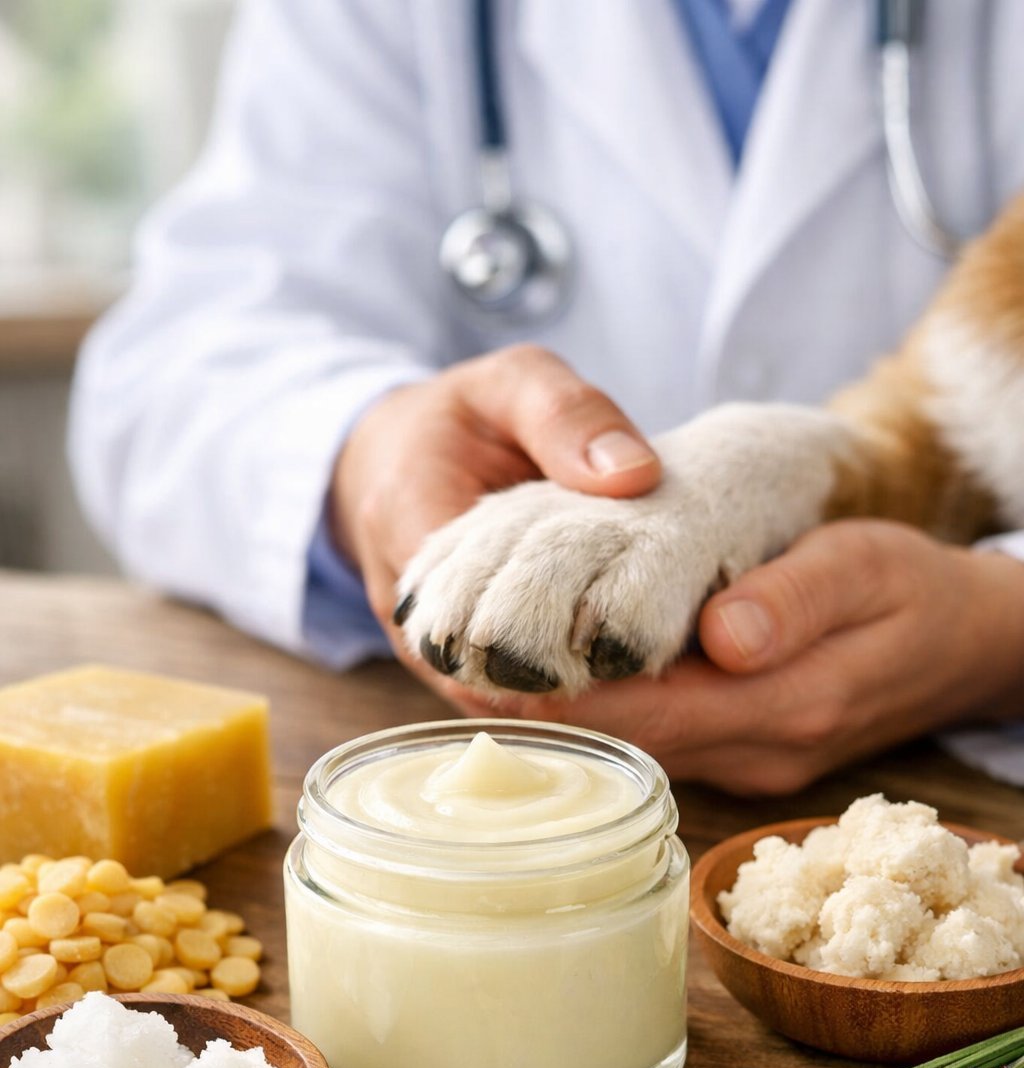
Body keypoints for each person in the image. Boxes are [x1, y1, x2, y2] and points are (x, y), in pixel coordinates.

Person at [69, 0, 1024, 793]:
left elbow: (924, 437)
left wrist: (1000, 634)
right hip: (469, 784)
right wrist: (363, 453)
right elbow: (178, 361)